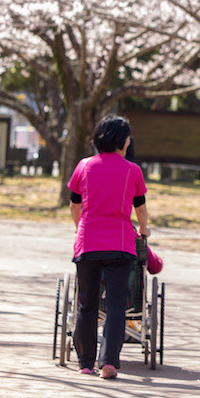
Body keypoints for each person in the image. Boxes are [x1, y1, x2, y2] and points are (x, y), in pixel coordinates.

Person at [68, 114, 149, 379]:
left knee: (86, 303)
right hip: (120, 244)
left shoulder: (83, 166)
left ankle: (85, 362)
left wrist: (81, 227)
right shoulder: (132, 170)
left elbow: (74, 205)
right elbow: (140, 207)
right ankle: (109, 362)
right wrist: (144, 229)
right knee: (116, 304)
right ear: (122, 140)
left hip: (87, 243)